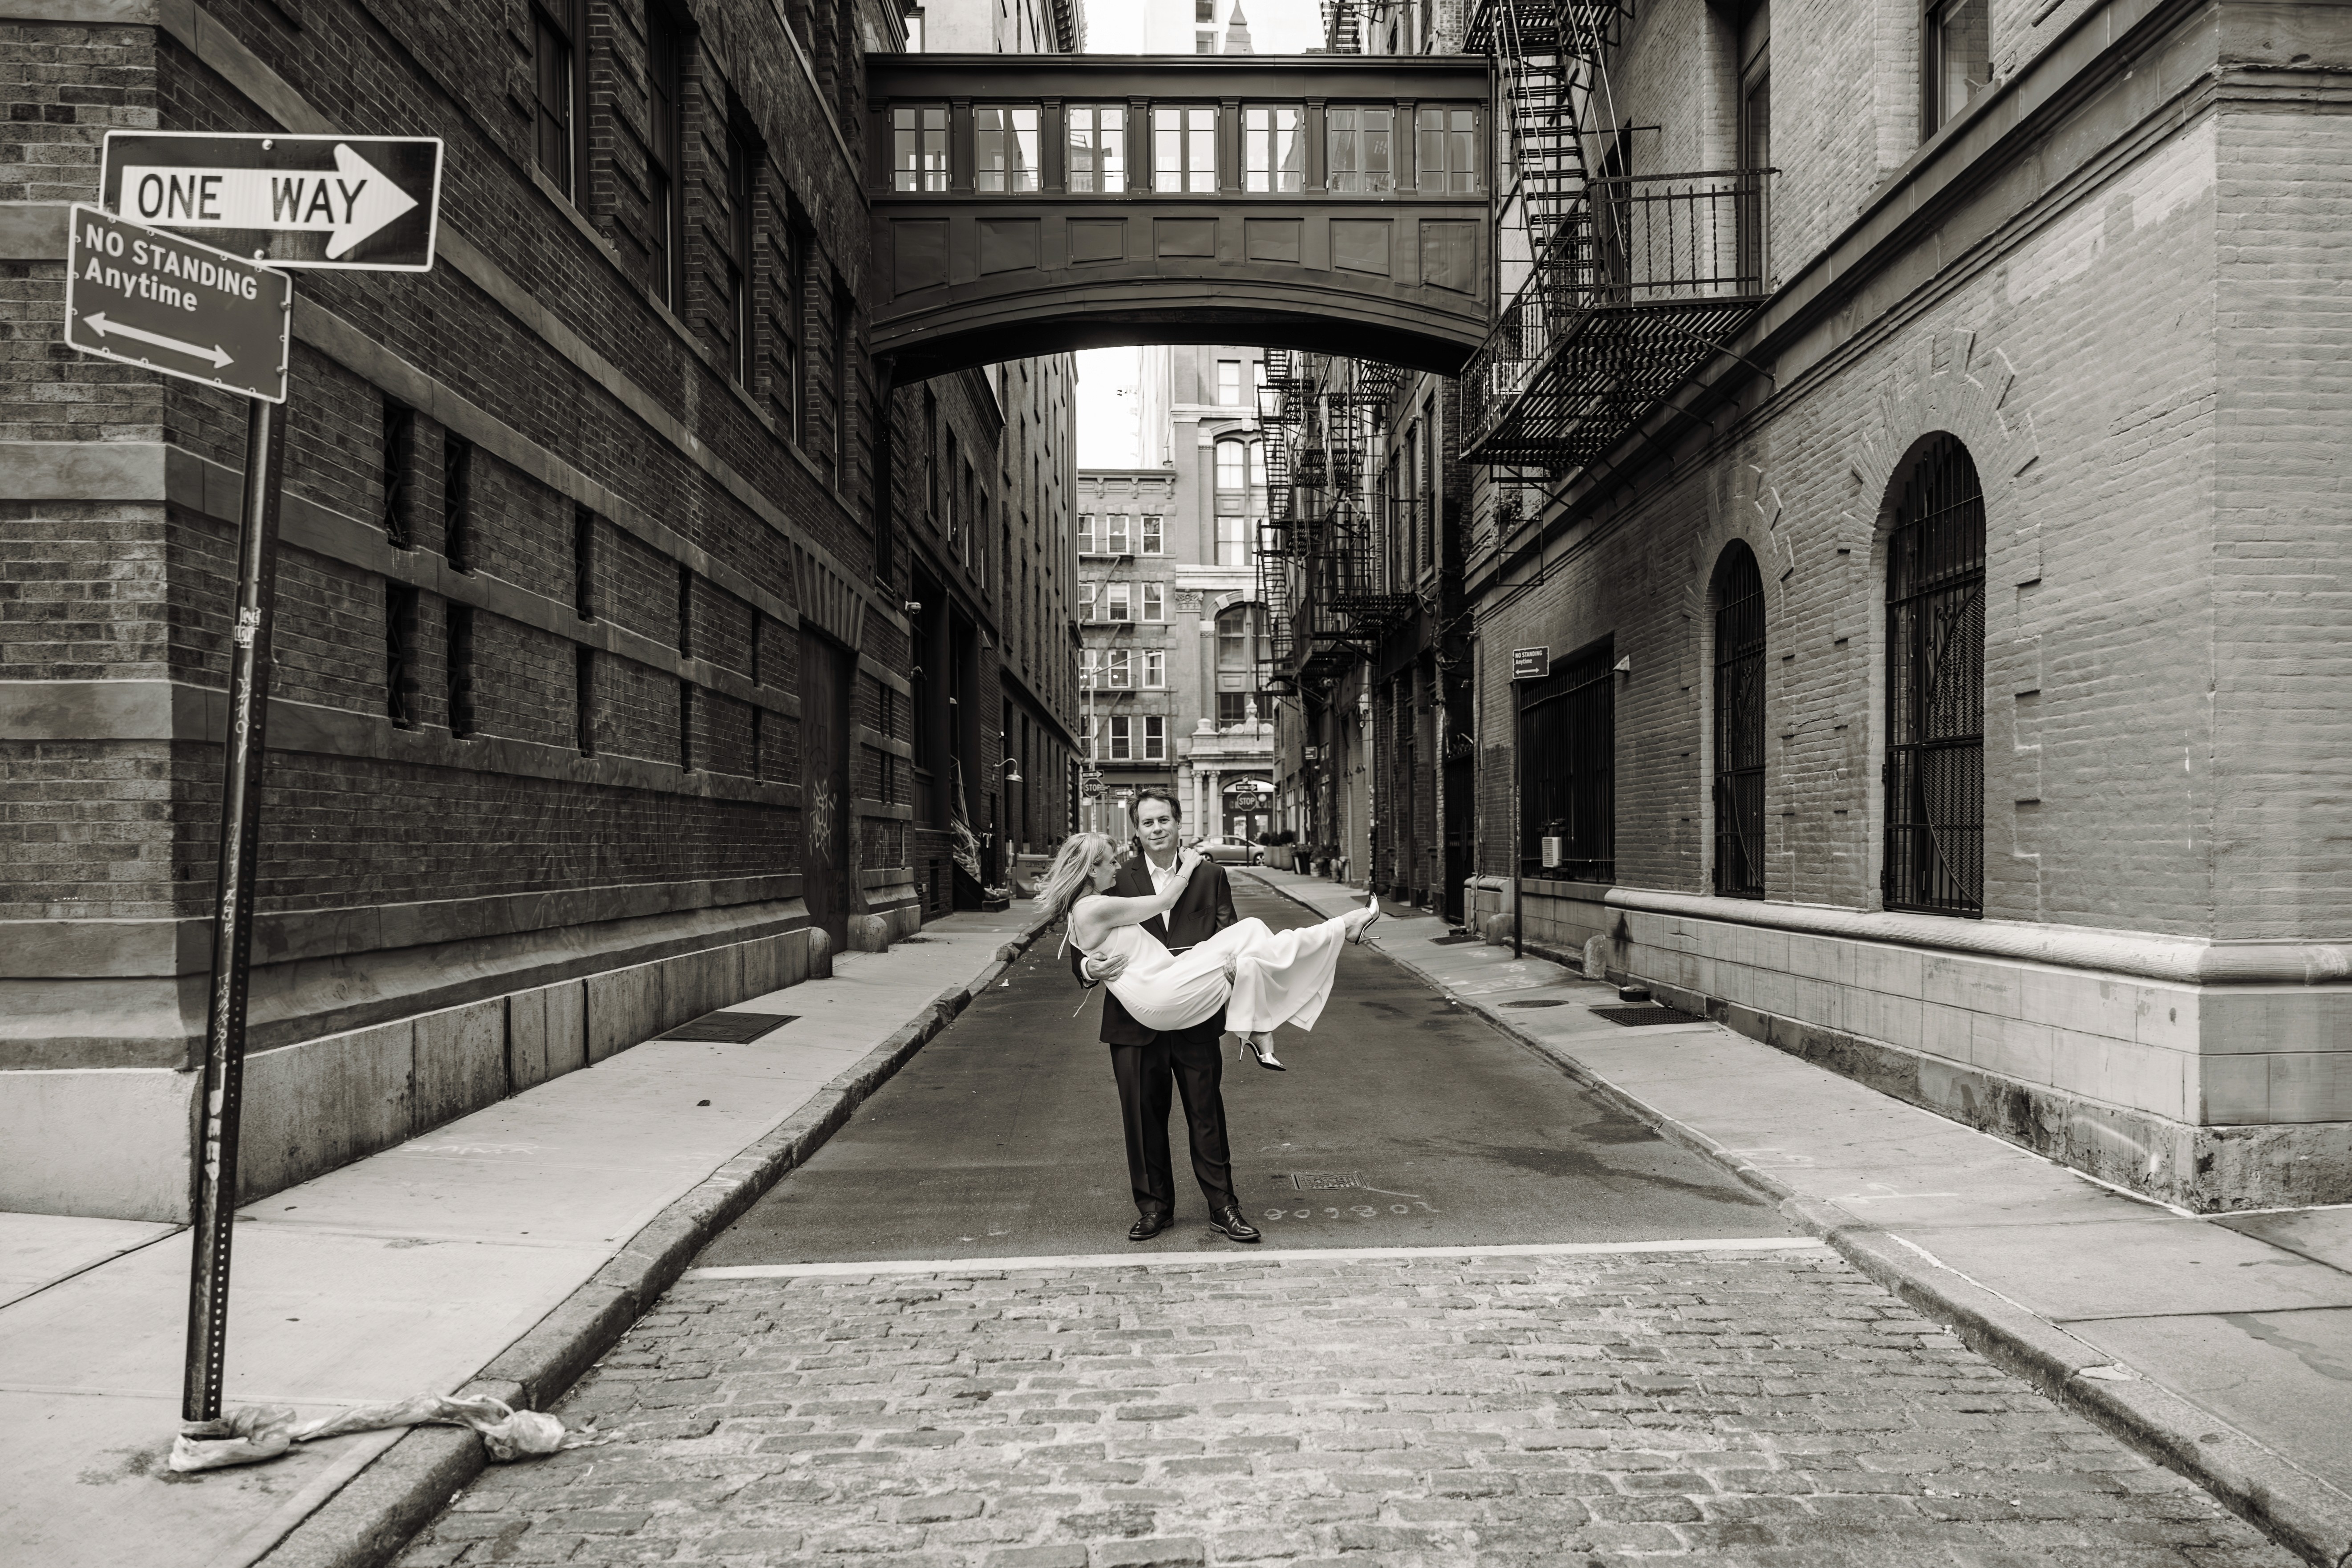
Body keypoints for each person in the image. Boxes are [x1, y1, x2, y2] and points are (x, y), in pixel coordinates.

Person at [1050, 796, 1382, 1244]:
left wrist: (1236, 970)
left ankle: (1223, 1206)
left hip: (1194, 1007)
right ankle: (1154, 1210)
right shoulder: (1113, 883)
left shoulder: (1210, 875)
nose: (1157, 829)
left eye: (1164, 820)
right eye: (1147, 822)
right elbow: (1081, 955)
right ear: (1136, 830)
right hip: (1135, 1018)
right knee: (1142, 1119)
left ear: (1178, 822)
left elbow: (1228, 929)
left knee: (1206, 1113)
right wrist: (1090, 971)